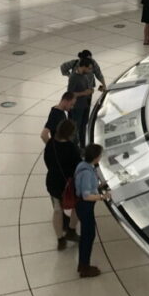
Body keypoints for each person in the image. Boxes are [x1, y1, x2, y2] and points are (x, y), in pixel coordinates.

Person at [44, 118, 81, 250]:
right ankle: (71, 230)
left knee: (57, 210)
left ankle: (60, 239)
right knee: (77, 206)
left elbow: (47, 162)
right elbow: (77, 167)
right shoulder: (71, 148)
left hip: (52, 182)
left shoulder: (50, 143)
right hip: (68, 185)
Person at [74, 143, 111, 277]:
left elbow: (89, 186)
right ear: (96, 158)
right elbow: (86, 195)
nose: (100, 157)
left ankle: (83, 264)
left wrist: (101, 185)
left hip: (83, 206)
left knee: (87, 235)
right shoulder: (88, 173)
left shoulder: (84, 165)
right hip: (85, 206)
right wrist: (102, 196)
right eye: (100, 155)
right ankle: (84, 267)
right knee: (88, 236)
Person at [66, 58, 96, 146]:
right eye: (89, 68)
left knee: (83, 127)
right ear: (83, 66)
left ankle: (83, 145)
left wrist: (90, 91)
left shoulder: (84, 76)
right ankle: (74, 147)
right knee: (76, 128)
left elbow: (86, 89)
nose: (90, 71)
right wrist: (84, 93)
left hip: (85, 106)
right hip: (77, 107)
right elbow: (70, 94)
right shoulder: (73, 78)